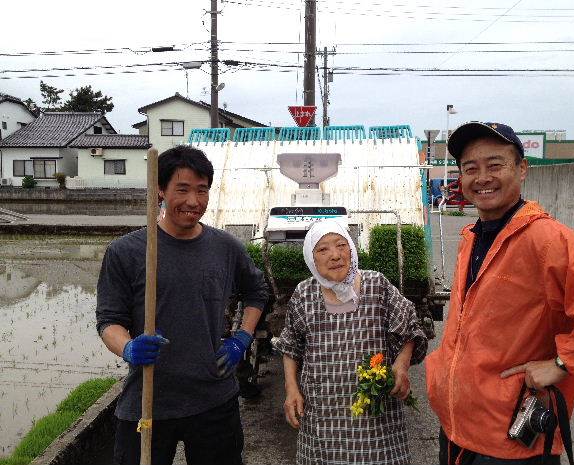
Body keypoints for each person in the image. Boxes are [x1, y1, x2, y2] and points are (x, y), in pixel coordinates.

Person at [425, 121, 574, 465]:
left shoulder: (547, 240)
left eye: (495, 165)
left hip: (510, 441)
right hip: (458, 429)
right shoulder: (472, 236)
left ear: (522, 168)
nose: (482, 177)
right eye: (471, 168)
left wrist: (563, 364)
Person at [96, 145, 269, 465]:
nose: (194, 201)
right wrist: (129, 348)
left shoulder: (225, 247)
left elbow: (257, 292)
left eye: (202, 190)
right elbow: (109, 320)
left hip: (214, 399)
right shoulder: (127, 251)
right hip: (148, 399)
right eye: (183, 189)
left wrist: (242, 338)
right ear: (160, 190)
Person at [273, 219, 428, 465]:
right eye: (323, 249)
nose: (335, 255)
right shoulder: (304, 294)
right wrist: (291, 389)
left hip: (376, 416)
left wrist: (402, 364)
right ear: (311, 258)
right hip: (323, 413)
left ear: (352, 250)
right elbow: (290, 346)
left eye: (341, 245)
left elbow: (410, 326)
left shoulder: (377, 285)